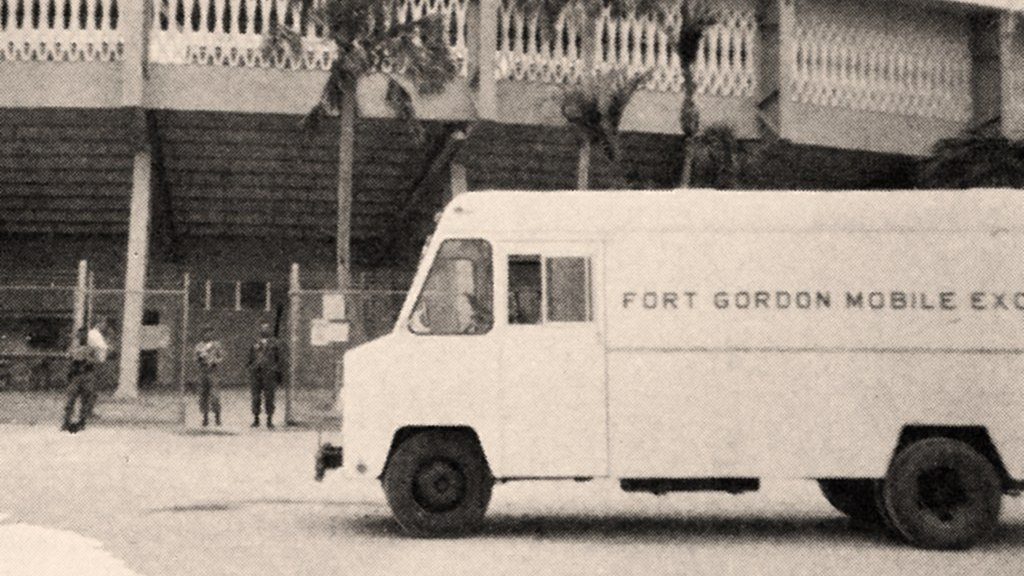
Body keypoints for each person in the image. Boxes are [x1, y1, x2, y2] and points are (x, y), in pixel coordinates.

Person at [61, 317, 109, 433]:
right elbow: (69, 359)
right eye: (79, 336)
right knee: (70, 401)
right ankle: (66, 422)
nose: (80, 338)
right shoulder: (74, 348)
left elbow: (98, 360)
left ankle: (81, 423)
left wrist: (88, 358)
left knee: (85, 400)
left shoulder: (90, 349)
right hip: (76, 376)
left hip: (87, 375)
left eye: (83, 336)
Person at [247, 323, 282, 429]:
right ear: (260, 330)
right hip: (256, 374)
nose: (264, 330)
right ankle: (256, 419)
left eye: (267, 328)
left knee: (269, 397)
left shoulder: (274, 344)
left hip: (269, 374)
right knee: (256, 397)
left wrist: (276, 371)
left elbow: (278, 359)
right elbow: (250, 358)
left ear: (269, 331)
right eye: (263, 328)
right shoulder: (254, 343)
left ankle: (269, 420)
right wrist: (251, 368)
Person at [194, 327, 225, 427]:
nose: (208, 335)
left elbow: (221, 357)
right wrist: (200, 358)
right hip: (203, 372)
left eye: (210, 333)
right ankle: (205, 418)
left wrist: (215, 361)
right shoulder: (199, 346)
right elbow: (195, 358)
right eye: (206, 333)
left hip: (213, 372)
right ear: (203, 334)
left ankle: (217, 417)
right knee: (203, 395)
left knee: (215, 396)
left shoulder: (216, 345)